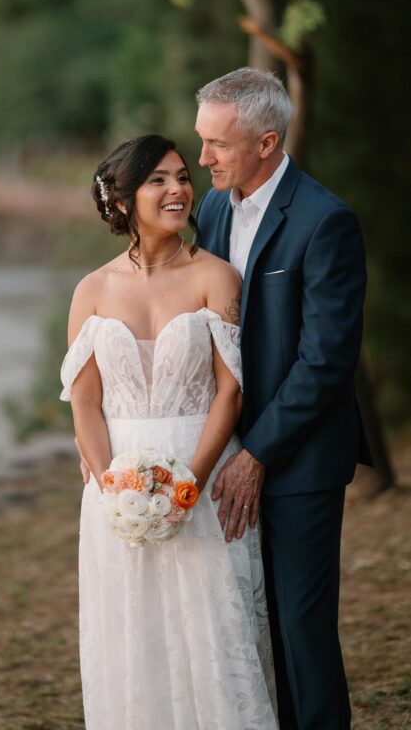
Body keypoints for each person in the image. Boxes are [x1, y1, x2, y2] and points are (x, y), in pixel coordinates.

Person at [60, 134, 278, 730]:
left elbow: (230, 391)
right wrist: (113, 488)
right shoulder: (92, 290)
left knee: (215, 628)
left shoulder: (218, 277)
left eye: (183, 176)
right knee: (133, 631)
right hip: (119, 488)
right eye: (158, 180)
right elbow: (84, 401)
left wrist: (189, 486)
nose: (179, 189)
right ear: (125, 199)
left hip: (203, 475)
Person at [194, 67, 370, 730]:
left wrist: (258, 453)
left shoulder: (326, 221)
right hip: (223, 449)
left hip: (299, 460)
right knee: (245, 619)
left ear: (266, 143)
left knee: (300, 623)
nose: (202, 158)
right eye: (200, 141)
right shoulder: (211, 208)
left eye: (218, 144)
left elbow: (325, 360)